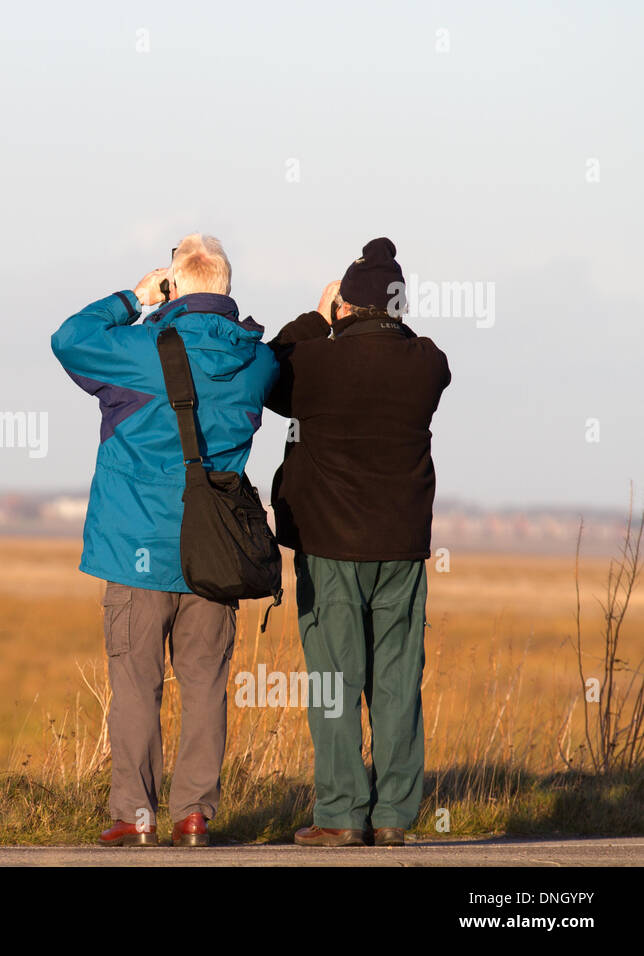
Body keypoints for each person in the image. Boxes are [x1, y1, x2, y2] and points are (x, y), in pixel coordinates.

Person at [50, 234, 278, 846]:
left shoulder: (140, 351)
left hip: (135, 550)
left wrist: (134, 297)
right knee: (206, 686)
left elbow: (68, 339)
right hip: (217, 554)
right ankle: (195, 815)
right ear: (226, 289)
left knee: (135, 686)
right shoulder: (256, 362)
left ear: (174, 285)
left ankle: (136, 815)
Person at [265, 237, 451, 847]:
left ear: (345, 305)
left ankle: (342, 813)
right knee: (398, 680)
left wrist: (318, 320)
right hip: (401, 549)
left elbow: (268, 372)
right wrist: (374, 316)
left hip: (329, 547)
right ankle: (395, 815)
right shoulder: (426, 363)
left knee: (335, 679)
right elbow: (413, 349)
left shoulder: (314, 364)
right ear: (397, 307)